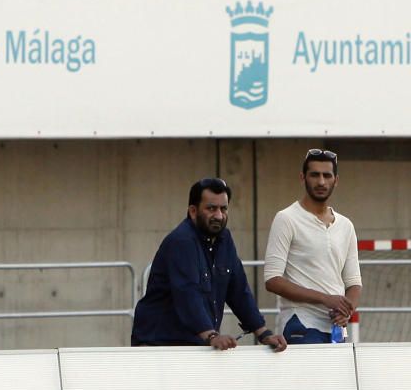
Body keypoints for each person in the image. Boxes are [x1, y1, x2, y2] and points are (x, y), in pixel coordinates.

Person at [132, 177, 286, 352]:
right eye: (211, 209)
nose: (219, 216)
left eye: (224, 209)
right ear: (193, 211)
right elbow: (187, 292)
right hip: (160, 344)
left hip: (196, 343)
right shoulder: (181, 241)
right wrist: (211, 335)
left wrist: (263, 333)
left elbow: (239, 291)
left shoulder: (225, 240)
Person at [264, 149, 362, 343]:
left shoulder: (346, 226)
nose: (321, 182)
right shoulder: (286, 219)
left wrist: (346, 309)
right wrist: (326, 299)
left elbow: (354, 283)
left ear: (336, 180)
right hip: (301, 323)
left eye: (327, 175)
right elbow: (272, 280)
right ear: (303, 177)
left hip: (336, 328)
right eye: (314, 175)